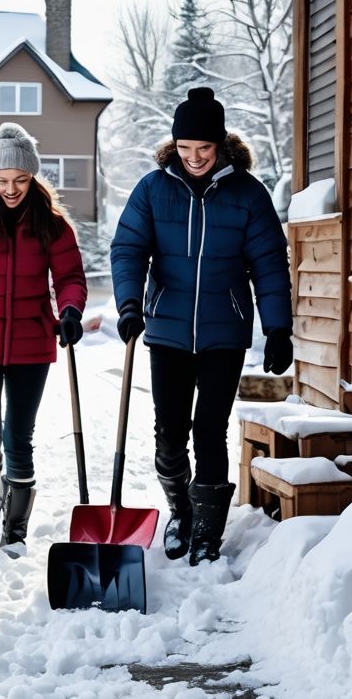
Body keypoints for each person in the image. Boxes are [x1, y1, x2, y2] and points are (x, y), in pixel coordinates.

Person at [110, 87, 293, 565]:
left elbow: (269, 263)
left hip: (224, 332)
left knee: (209, 429)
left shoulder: (248, 195)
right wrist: (130, 304)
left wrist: (277, 327)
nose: (195, 159)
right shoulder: (153, 189)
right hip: (168, 329)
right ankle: (181, 514)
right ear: (175, 146)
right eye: (186, 149)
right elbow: (128, 249)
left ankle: (208, 532)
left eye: (204, 150)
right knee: (170, 431)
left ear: (221, 146)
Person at [0, 123, 87, 553]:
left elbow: (69, 277)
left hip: (31, 342)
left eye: (20, 180)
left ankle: (16, 531)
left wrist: (71, 310)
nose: (11, 189)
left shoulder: (52, 224)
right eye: (3, 181)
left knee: (18, 437)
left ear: (33, 178)